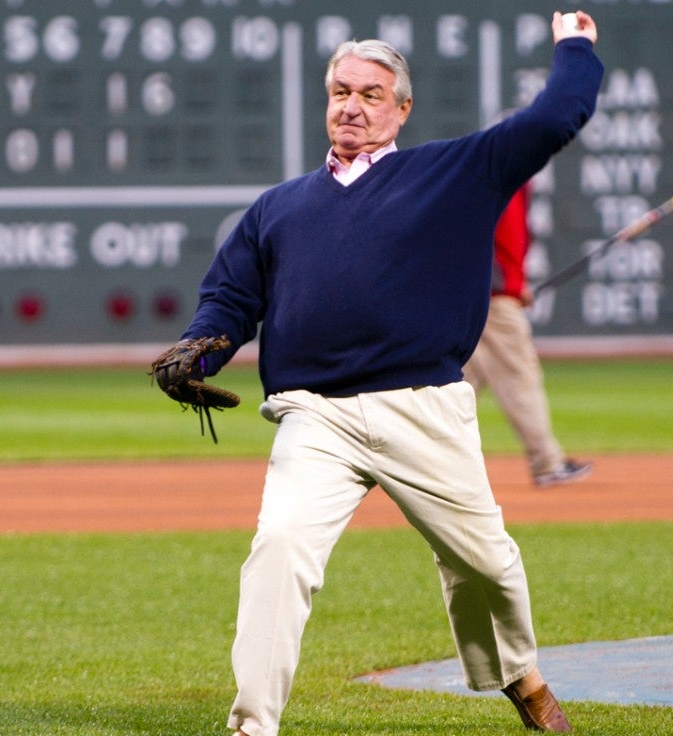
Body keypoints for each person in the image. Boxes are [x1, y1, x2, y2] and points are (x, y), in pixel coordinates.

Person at [152, 11, 602, 735]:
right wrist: (200, 351)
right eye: (340, 90)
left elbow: (556, 117)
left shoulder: (455, 173)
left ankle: (520, 673)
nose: (352, 105)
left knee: (488, 566)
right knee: (280, 547)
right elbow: (229, 299)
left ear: (401, 108)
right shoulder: (279, 208)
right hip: (316, 414)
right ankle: (251, 724)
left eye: (370, 92)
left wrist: (574, 44)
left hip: (424, 408)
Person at [464, 184, 594, 488]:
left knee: (455, 388)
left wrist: (513, 285)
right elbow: (473, 239)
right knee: (519, 379)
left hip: (482, 298)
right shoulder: (501, 182)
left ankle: (418, 466)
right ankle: (547, 462)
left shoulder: (509, 181)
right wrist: (502, 287)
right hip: (493, 304)